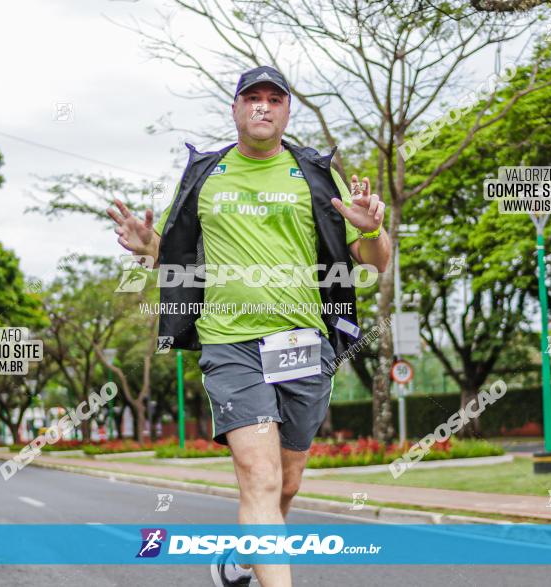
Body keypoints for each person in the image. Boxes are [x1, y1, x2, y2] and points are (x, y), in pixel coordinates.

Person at [107, 66, 391, 587]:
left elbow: (372, 263)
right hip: (230, 345)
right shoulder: (206, 177)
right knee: (259, 477)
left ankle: (240, 559)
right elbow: (171, 255)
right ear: (235, 110)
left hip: (304, 342)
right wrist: (146, 244)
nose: (263, 106)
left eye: (274, 99)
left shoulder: (313, 176)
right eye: (252, 98)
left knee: (286, 481)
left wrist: (374, 229)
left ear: (287, 111)